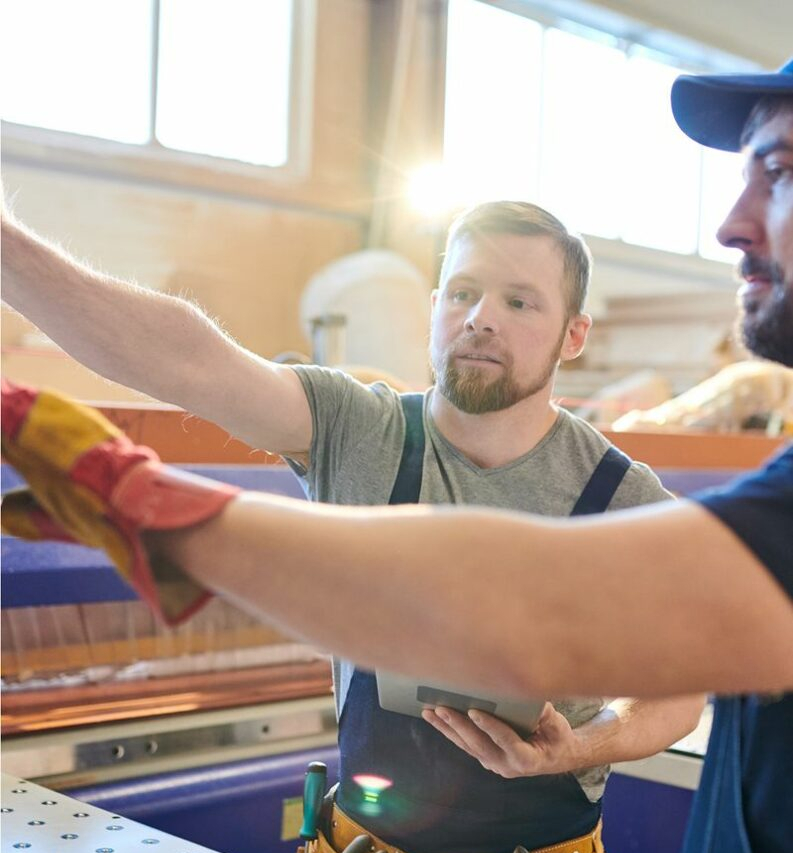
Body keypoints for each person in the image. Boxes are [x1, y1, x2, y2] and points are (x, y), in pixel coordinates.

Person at [3, 59, 793, 853]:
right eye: (463, 292)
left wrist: (580, 745)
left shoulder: (625, 494)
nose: (481, 317)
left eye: (519, 301)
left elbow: (674, 688)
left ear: (573, 335)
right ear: (433, 306)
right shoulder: (358, 429)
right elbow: (192, 362)